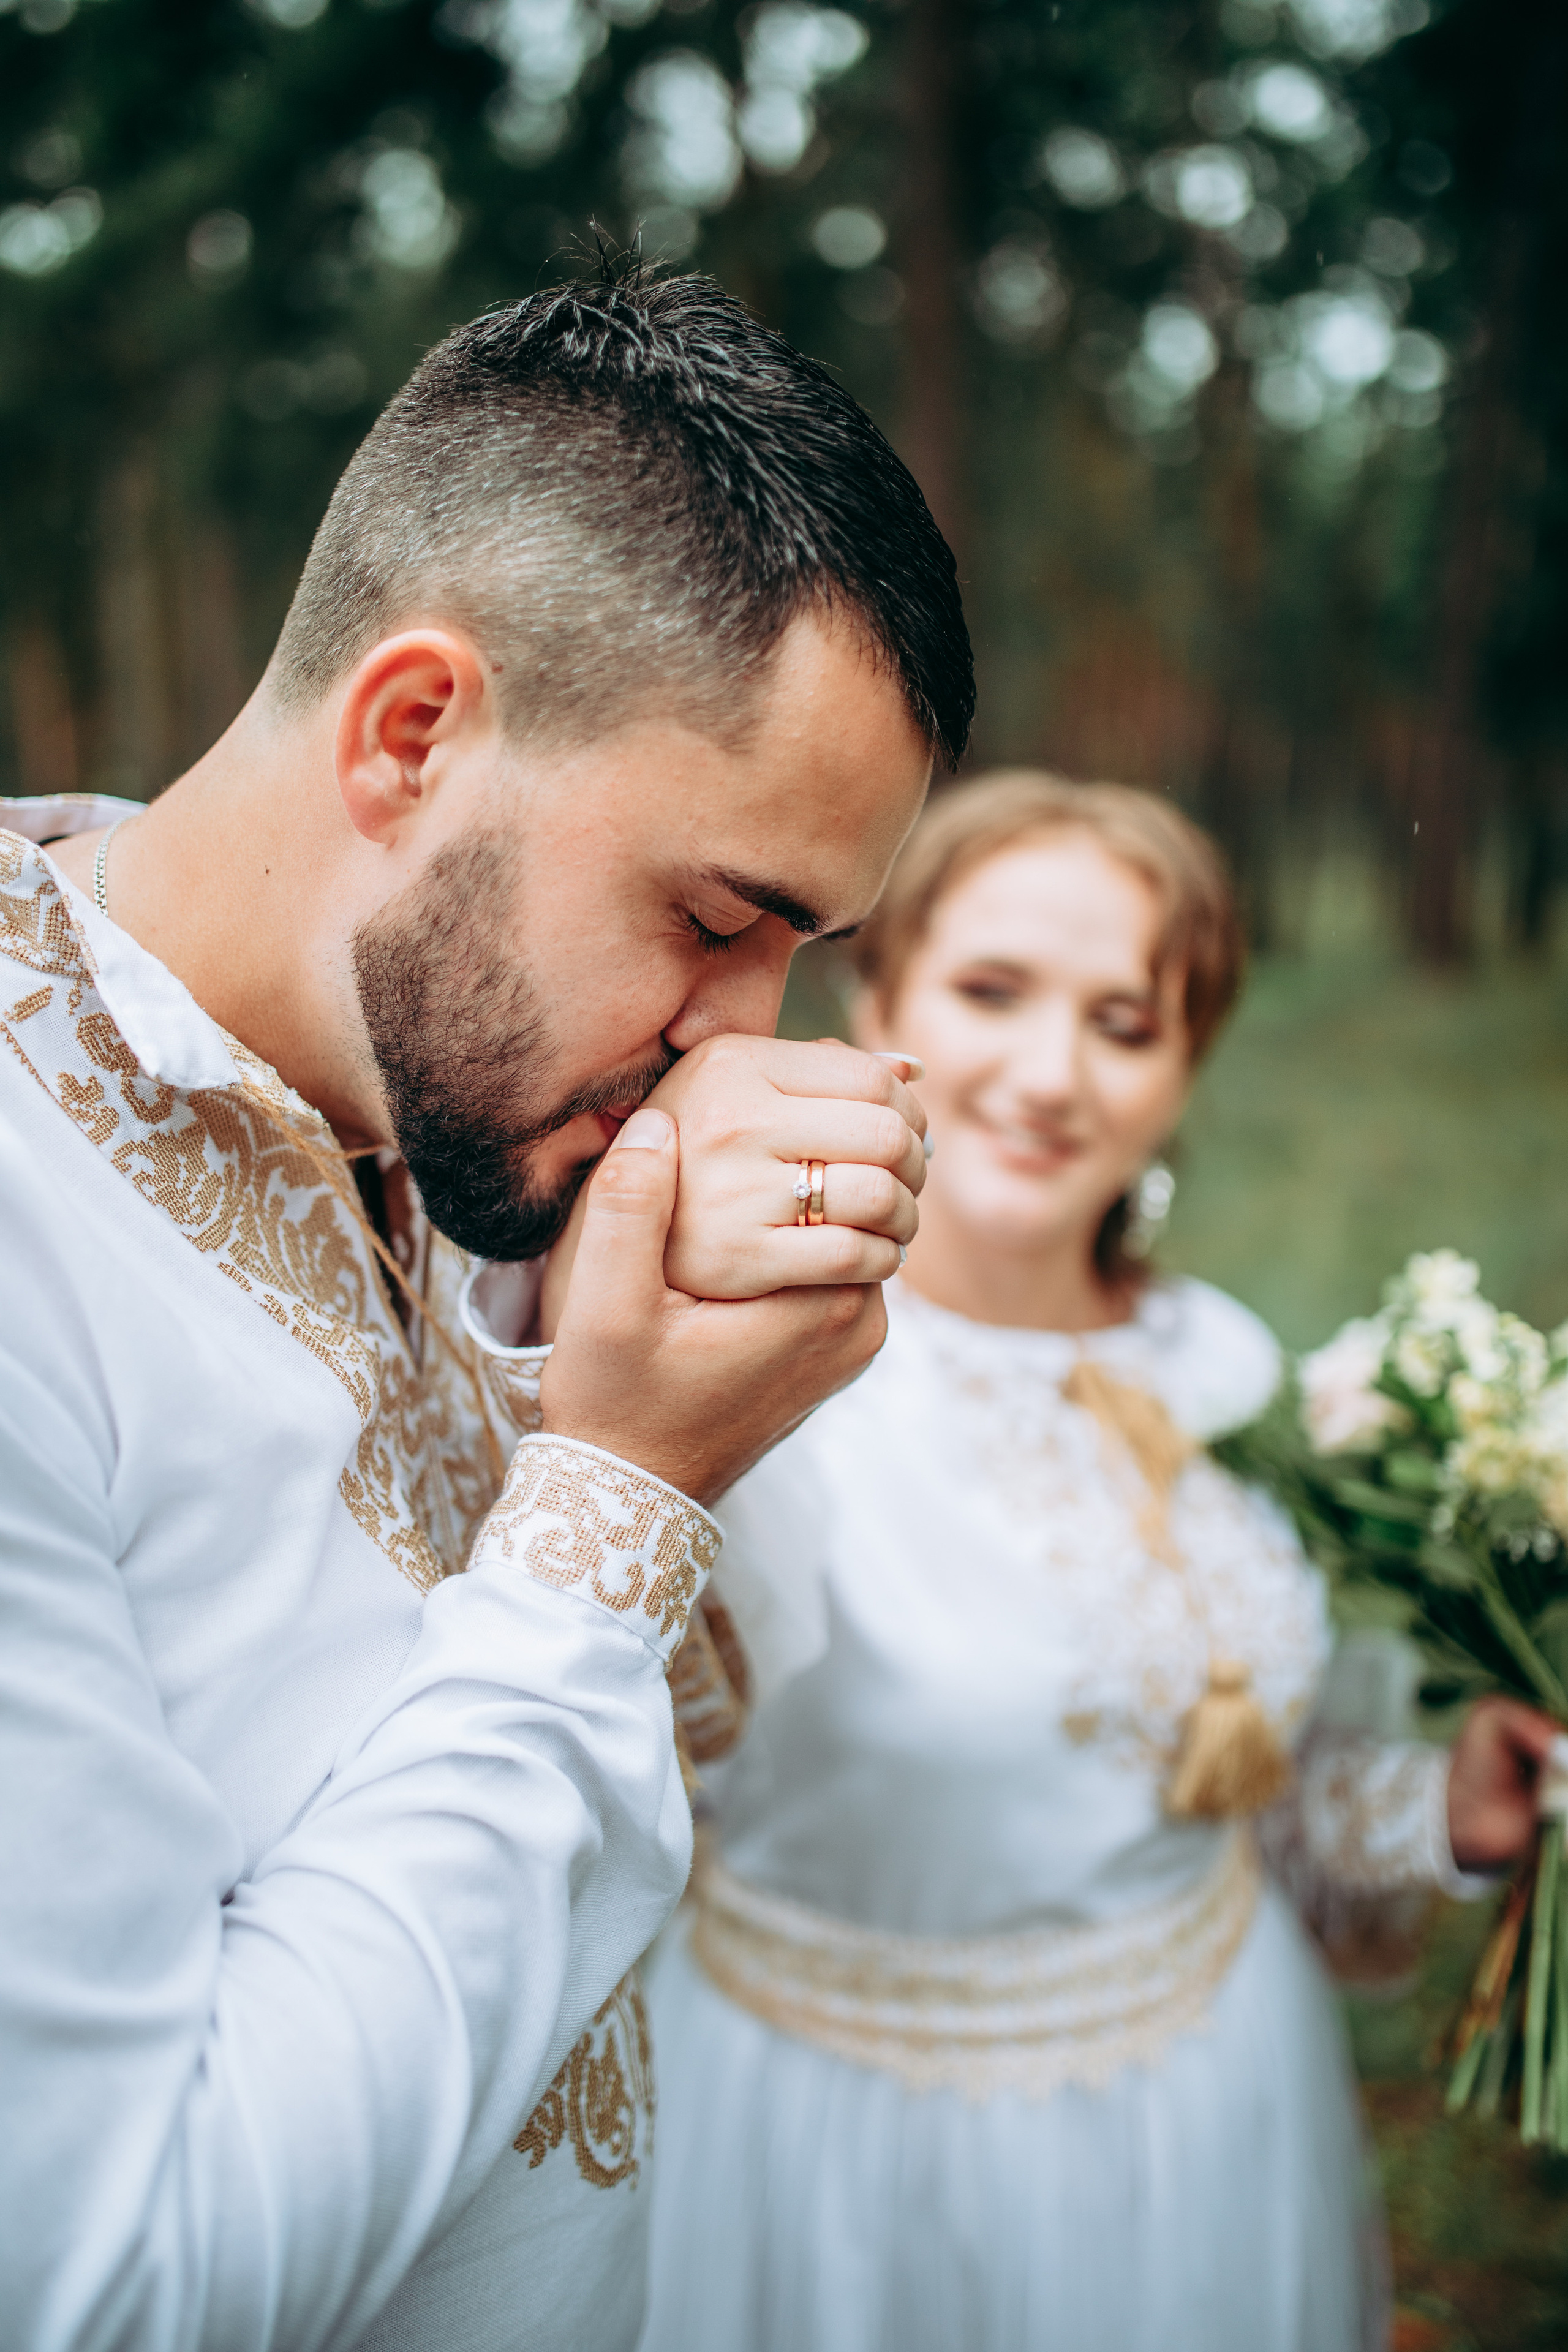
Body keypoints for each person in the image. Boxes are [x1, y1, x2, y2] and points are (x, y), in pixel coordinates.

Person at [0, 263, 974, 2352]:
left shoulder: (460, 1118)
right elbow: (108, 2282)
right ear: (415, 729)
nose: (739, 1043)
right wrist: (615, 1496)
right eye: (721, 920)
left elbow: (686, 1770)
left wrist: (684, 1390)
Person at [636, 772, 1556, 2352]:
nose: (1052, 1073)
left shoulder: (1239, 1374)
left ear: (1182, 1069)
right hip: (851, 2158)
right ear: (880, 991)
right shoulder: (740, 1387)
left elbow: (1263, 1790)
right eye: (993, 992)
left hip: (1214, 2112)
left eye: (1126, 1023)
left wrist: (1440, 1812)